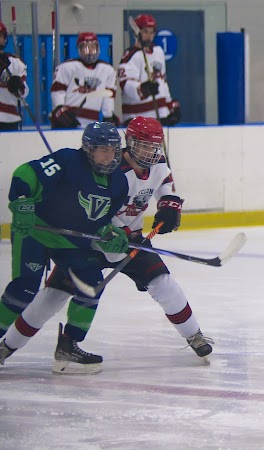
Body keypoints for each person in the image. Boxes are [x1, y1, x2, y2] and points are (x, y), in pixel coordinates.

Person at [44, 116, 213, 365]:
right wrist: (122, 231)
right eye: (144, 145)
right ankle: (9, 344)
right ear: (130, 142)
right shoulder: (109, 166)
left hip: (131, 242)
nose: (150, 152)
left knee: (164, 284)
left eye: (154, 146)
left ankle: (194, 335)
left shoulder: (158, 164)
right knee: (53, 295)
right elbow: (98, 210)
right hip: (96, 239)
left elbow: (167, 189)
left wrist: (169, 208)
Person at [0, 122, 129, 374]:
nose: (109, 156)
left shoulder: (119, 183)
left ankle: (69, 344)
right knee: (24, 290)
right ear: (88, 149)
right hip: (36, 231)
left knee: (92, 286)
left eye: (113, 150)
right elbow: (24, 173)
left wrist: (109, 233)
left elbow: (101, 221)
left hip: (70, 241)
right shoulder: (67, 159)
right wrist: (23, 202)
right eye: (102, 150)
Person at [117, 14, 180, 126]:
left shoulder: (158, 51)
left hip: (160, 115)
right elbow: (126, 84)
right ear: (137, 33)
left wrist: (170, 105)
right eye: (145, 31)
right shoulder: (131, 55)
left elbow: (162, 81)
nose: (149, 36)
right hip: (137, 118)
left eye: (152, 32)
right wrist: (144, 89)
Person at [50, 31, 119, 129]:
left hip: (92, 124)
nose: (90, 51)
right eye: (85, 48)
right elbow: (57, 91)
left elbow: (108, 97)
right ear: (79, 50)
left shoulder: (108, 70)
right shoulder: (67, 67)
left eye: (93, 47)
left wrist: (108, 116)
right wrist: (60, 111)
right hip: (68, 123)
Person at [0, 21, 30, 131]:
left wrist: (18, 85)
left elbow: (24, 92)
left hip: (9, 119)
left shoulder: (15, 62)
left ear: (4, 39)